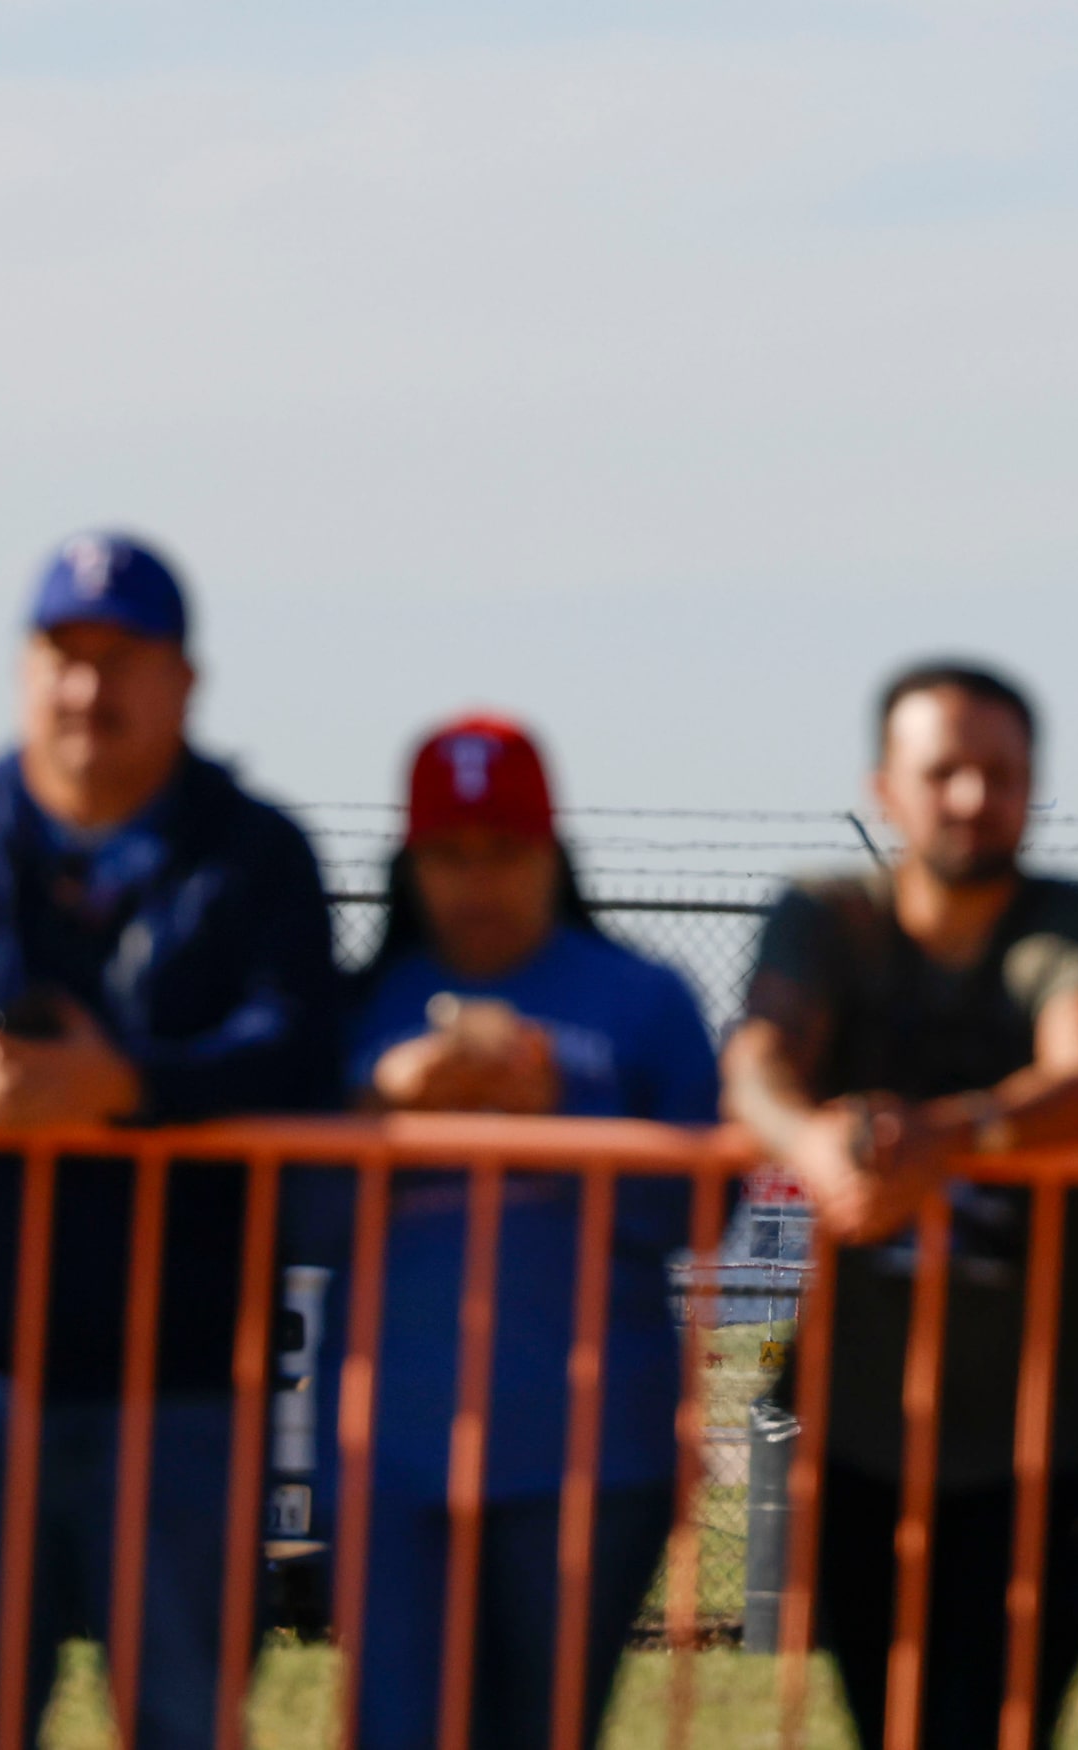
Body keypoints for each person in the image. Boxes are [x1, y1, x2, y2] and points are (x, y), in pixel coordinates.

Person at [0, 533, 342, 1749]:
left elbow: (296, 1049)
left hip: (187, 1380)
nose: (89, 690)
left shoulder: (255, 851)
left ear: (185, 682)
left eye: (124, 659)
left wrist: (130, 1085)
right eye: (65, 655)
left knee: (178, 1715)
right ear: (21, 669)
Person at [721, 662, 1078, 1748]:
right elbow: (759, 1059)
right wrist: (810, 1138)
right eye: (944, 770)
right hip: (866, 1422)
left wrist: (941, 1140)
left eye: (1000, 773)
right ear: (886, 787)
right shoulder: (827, 915)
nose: (972, 796)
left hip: (1053, 1428)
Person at [315, 715, 719, 1750]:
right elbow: (291, 1219)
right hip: (391, 1453)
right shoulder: (352, 1010)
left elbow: (702, 1211)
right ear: (410, 865)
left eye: (506, 851)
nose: (478, 881)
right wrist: (377, 1109)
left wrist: (560, 1122)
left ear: (554, 852)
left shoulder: (642, 1002)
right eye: (450, 854)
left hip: (586, 1454)